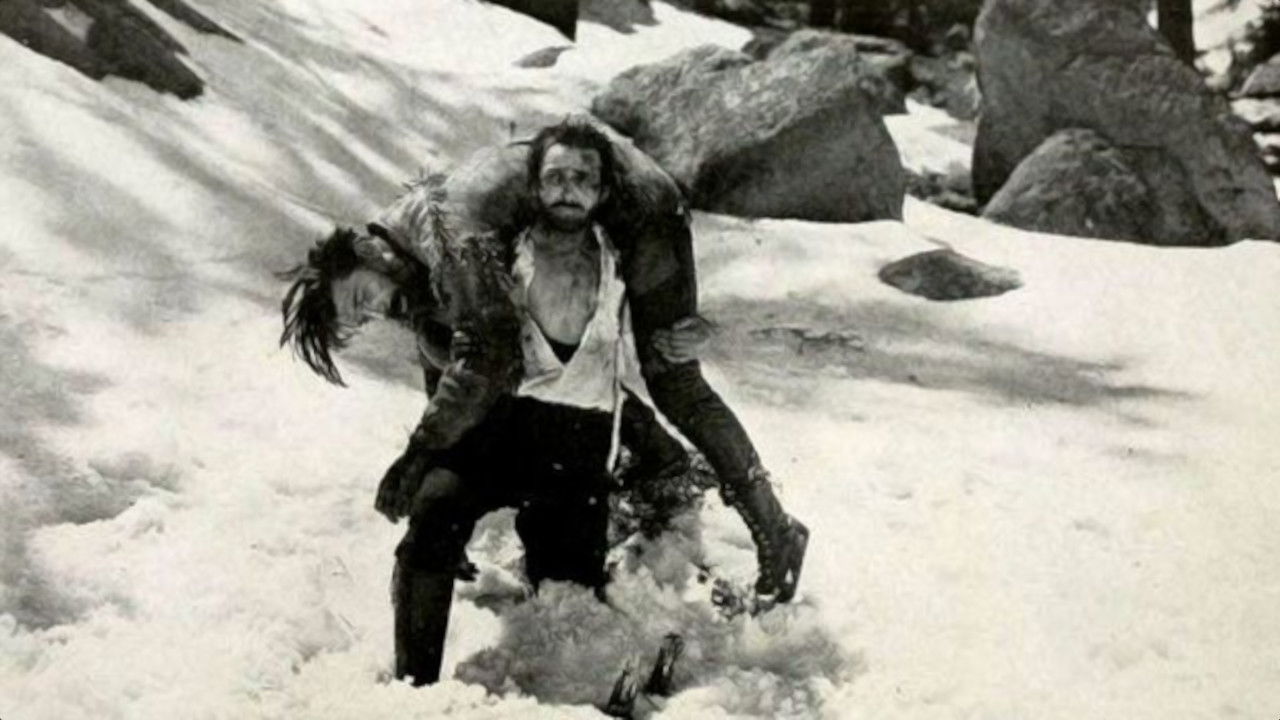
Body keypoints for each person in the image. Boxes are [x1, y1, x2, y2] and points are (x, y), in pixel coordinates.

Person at [374, 118, 809, 605]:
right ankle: (660, 457)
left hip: (645, 205)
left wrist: (427, 462)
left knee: (675, 379)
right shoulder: (437, 235)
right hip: (590, 195)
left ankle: (775, 528)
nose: (377, 310)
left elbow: (474, 357)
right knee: (554, 363)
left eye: (371, 301)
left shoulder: (455, 229)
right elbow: (458, 356)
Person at [280, 224, 697, 686]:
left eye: (363, 296)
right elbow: (446, 387)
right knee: (432, 524)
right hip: (489, 436)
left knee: (566, 590)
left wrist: (418, 453)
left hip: (568, 433)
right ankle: (413, 690)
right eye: (364, 316)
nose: (377, 309)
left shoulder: (452, 241)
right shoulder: (415, 292)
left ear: (370, 252)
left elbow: (499, 360)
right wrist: (434, 488)